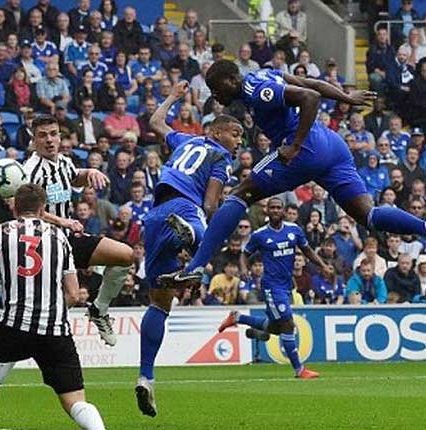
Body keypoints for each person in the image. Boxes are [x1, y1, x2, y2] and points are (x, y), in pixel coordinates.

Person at [164, 61, 426, 288]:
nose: (215, 95)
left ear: (232, 79)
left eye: (217, 88)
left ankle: (195, 267)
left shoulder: (255, 90)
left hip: (305, 150)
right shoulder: (264, 74)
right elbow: (310, 83)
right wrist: (346, 97)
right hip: (331, 144)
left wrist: (295, 145)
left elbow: (309, 97)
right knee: (368, 215)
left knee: (240, 194)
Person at [135, 81, 244, 417]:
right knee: (210, 235)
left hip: (155, 216)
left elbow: (155, 122)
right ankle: (191, 242)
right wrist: (210, 225)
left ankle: (146, 377)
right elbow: (209, 203)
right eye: (236, 135)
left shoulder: (186, 140)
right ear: (217, 132)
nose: (239, 142)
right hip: (186, 208)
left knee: (160, 302)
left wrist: (171, 96)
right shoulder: (221, 157)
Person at [0, 183, 107, 430]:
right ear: (43, 209)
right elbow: (74, 294)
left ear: (15, 208)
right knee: (76, 402)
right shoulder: (60, 237)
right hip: (55, 332)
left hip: (14, 327)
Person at [23, 115, 133, 347]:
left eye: (53, 134)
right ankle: (28, 340)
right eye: (42, 135)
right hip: (44, 244)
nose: (49, 140)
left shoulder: (63, 162)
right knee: (71, 297)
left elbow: (74, 177)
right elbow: (27, 210)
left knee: (125, 255)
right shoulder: (32, 171)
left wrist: (90, 172)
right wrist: (63, 221)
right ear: (34, 140)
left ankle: (99, 310)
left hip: (68, 238)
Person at [219, 198, 330, 378]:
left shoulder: (294, 230)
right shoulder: (260, 235)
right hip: (271, 286)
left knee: (277, 328)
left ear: (283, 211)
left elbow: (307, 250)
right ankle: (299, 370)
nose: (276, 210)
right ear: (267, 211)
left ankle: (238, 318)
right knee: (288, 324)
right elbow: (244, 254)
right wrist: (244, 268)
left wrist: (322, 265)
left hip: (287, 285)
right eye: (272, 208)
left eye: (279, 207)